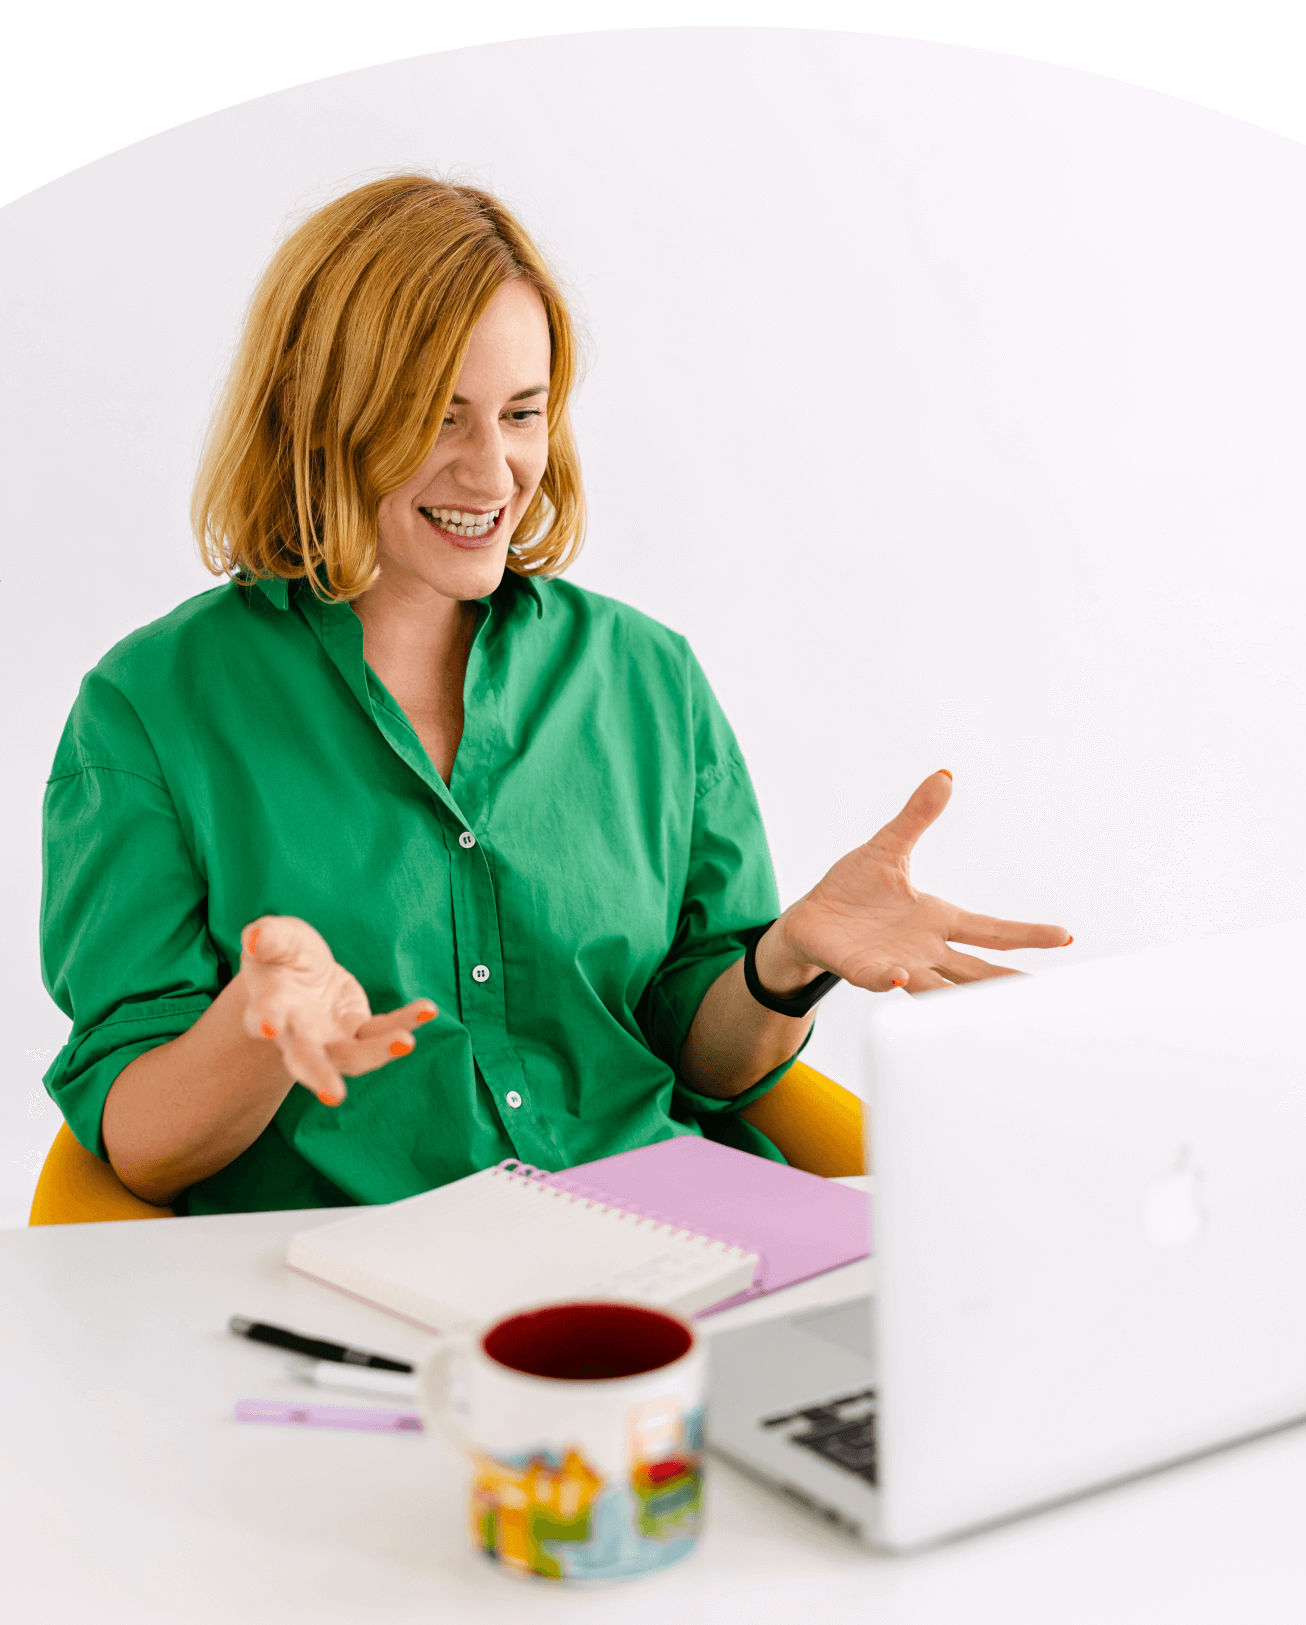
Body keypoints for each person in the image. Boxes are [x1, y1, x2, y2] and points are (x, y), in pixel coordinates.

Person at [39, 174, 1071, 1216]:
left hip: (671, 1240)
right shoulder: (149, 711)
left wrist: (784, 961)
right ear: (318, 417)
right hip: (358, 1273)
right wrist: (253, 1030)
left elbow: (703, 1062)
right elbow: (138, 1149)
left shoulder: (647, 675)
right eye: (438, 419)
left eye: (521, 414)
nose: (495, 474)